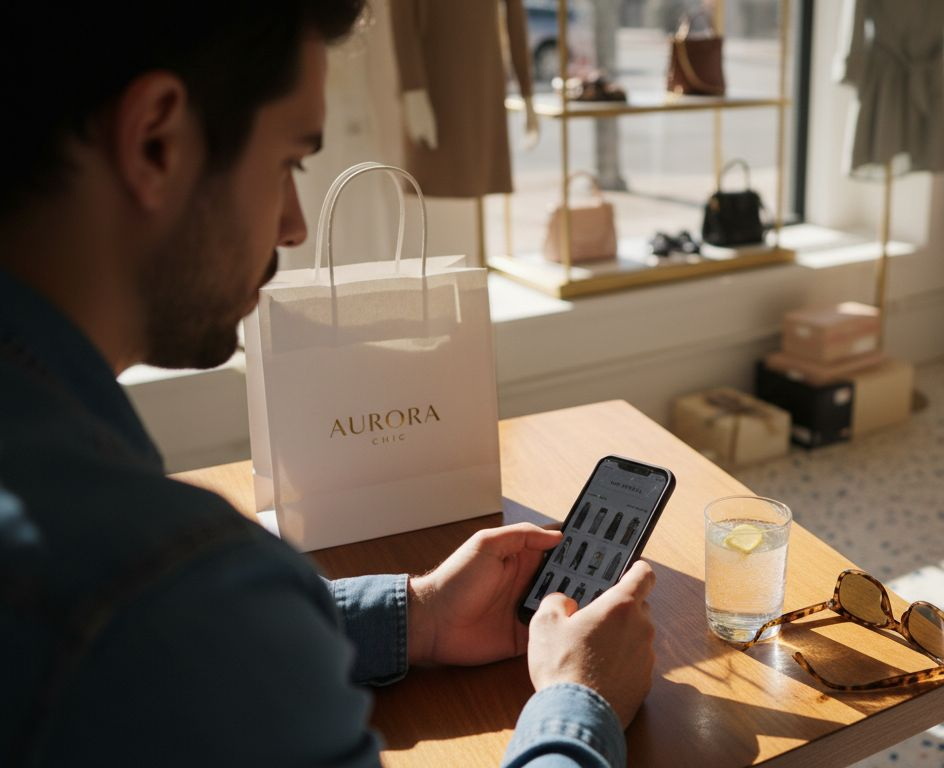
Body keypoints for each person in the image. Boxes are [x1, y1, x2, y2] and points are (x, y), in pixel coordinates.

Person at [0, 2, 655, 766]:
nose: (295, 225)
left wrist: (417, 616)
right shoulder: (159, 583)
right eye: (288, 162)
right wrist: (581, 705)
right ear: (156, 141)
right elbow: (169, 626)